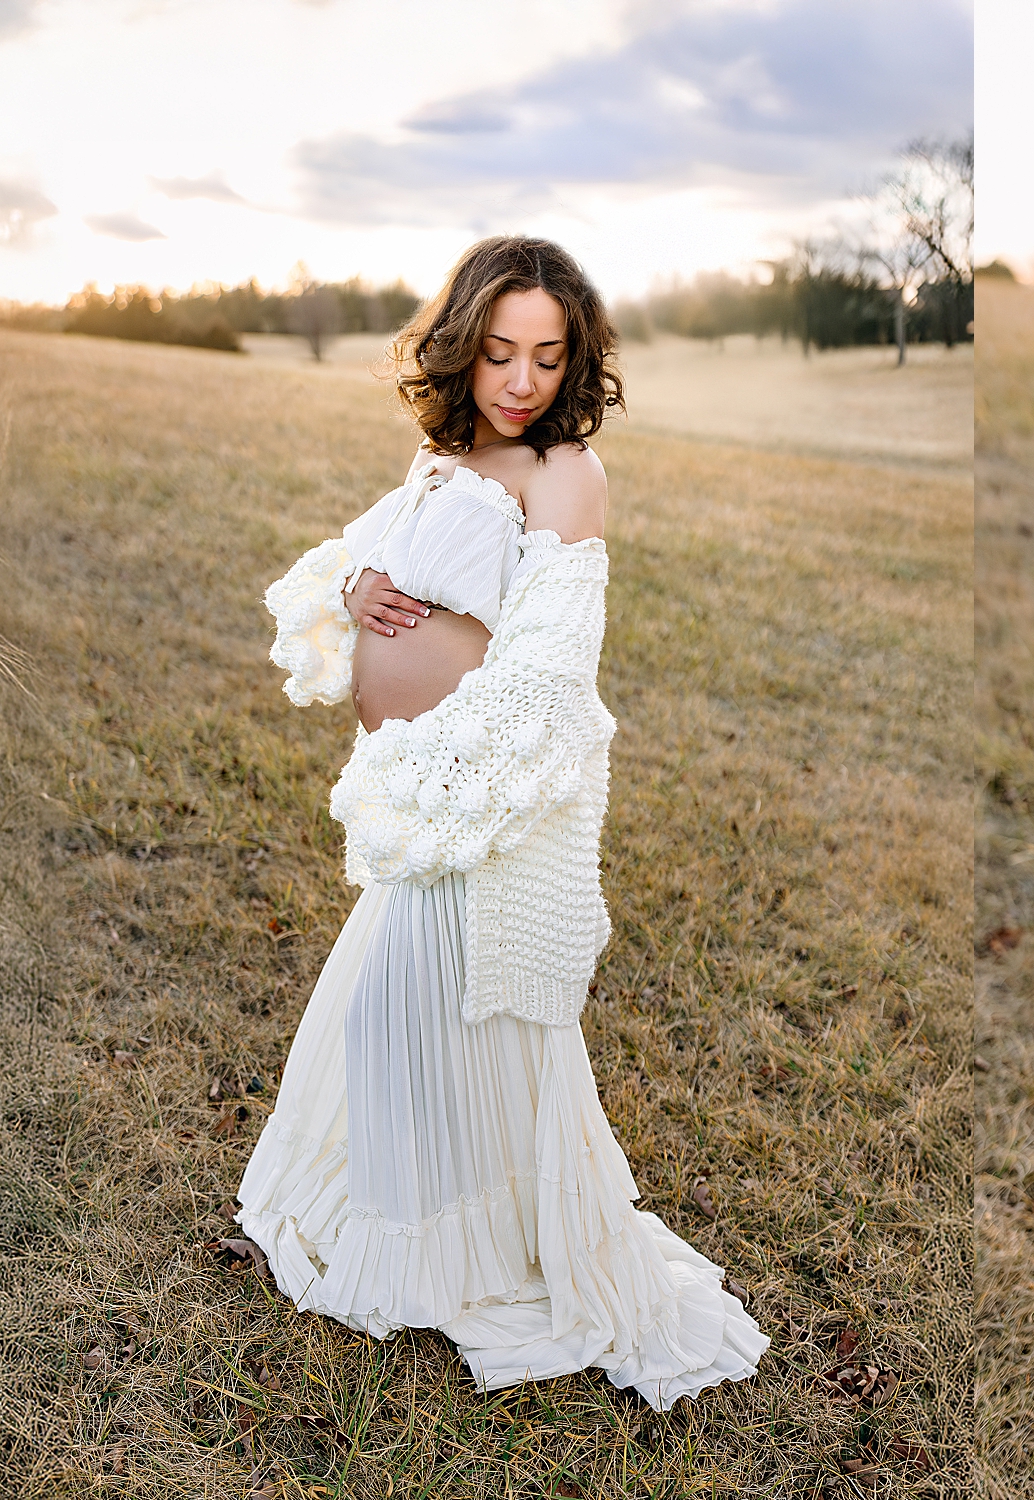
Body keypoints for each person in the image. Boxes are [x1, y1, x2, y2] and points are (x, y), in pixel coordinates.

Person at [237, 235, 768, 1407]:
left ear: (576, 360)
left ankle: (467, 1251)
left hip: (473, 800)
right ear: (462, 350)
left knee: (434, 1023)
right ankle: (426, 1231)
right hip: (411, 798)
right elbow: (344, 561)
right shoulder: (443, 454)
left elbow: (546, 666)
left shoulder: (564, 473)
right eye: (497, 354)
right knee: (395, 1032)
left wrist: (447, 771)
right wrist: (352, 590)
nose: (520, 380)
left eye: (545, 355)